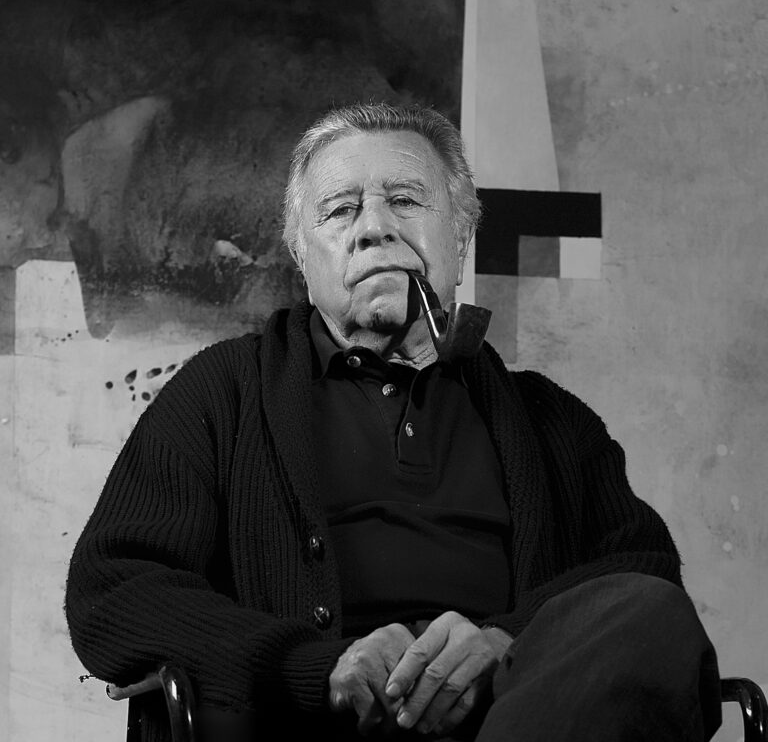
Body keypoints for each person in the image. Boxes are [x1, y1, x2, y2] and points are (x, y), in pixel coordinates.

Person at [65, 102, 721, 742]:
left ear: (459, 238)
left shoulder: (552, 420)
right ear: (302, 255)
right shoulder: (221, 393)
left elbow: (643, 571)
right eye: (340, 209)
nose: (375, 228)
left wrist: (509, 643)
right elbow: (112, 592)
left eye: (405, 200)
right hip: (314, 725)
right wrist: (316, 666)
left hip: (520, 719)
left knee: (650, 611)